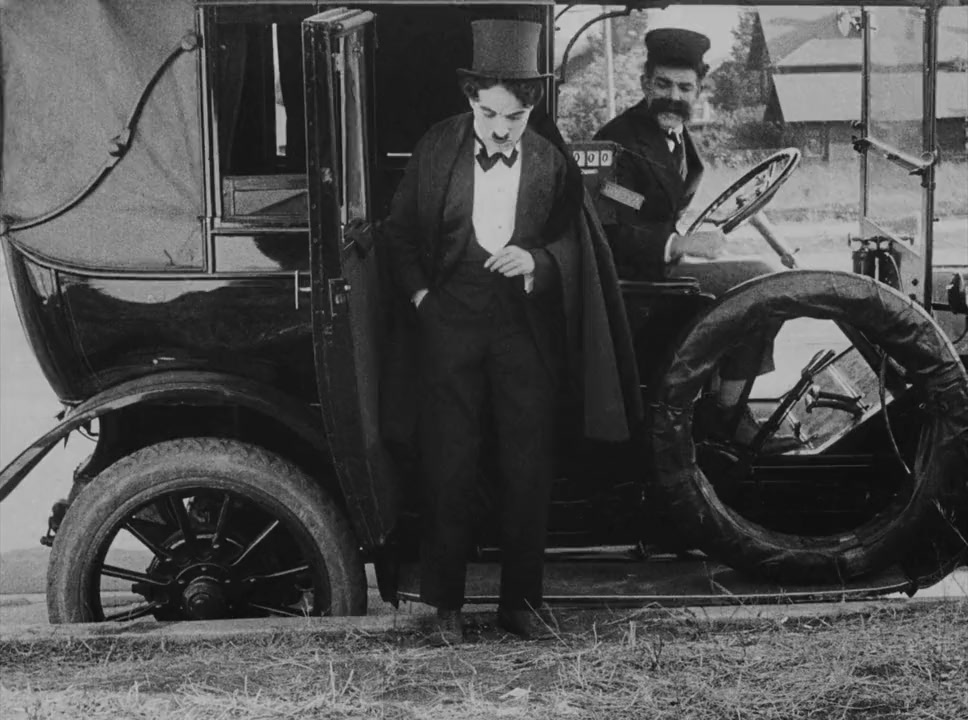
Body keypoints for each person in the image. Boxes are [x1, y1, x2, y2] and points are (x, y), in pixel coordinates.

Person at [383, 19, 638, 644]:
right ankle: (445, 607)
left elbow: (574, 245)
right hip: (449, 322)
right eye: (490, 113)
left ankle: (520, 604)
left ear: (533, 108)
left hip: (523, 330)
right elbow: (398, 234)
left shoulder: (551, 161)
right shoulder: (436, 146)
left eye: (516, 117)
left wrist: (537, 263)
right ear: (470, 97)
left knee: (527, 466)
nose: (501, 129)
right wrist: (422, 298)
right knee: (449, 464)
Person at [593, 28, 792, 449]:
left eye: (684, 88)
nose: (673, 96)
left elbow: (644, 205)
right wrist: (680, 244)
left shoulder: (676, 136)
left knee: (758, 276)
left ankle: (719, 401)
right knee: (766, 281)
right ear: (645, 83)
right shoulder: (619, 141)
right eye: (663, 84)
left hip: (659, 269)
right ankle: (726, 417)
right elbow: (610, 223)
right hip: (635, 285)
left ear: (699, 90)